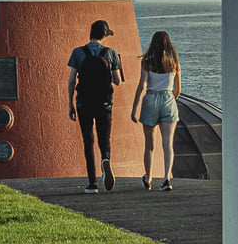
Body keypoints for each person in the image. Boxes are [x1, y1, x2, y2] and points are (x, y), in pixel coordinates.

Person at [66, 19, 124, 194]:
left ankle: (92, 183)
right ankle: (105, 159)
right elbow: (117, 81)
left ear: (90, 34)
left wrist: (70, 103)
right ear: (105, 35)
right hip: (104, 102)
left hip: (84, 102)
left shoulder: (78, 52)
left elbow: (71, 80)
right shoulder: (111, 53)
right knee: (104, 138)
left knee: (88, 140)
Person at [131, 29, 182, 191]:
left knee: (149, 144)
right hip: (168, 99)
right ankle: (167, 179)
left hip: (151, 99)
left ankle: (149, 177)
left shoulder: (147, 61)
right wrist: (170, 100)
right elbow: (178, 90)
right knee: (168, 144)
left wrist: (134, 108)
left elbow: (142, 85)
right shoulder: (174, 63)